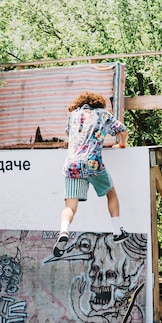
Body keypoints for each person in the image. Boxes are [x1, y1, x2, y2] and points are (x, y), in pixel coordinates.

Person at [53, 91, 129, 257]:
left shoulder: (73, 115)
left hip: (72, 165)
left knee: (70, 207)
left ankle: (64, 231)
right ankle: (117, 231)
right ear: (98, 103)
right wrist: (122, 145)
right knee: (111, 194)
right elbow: (122, 131)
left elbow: (69, 134)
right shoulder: (103, 115)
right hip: (93, 163)